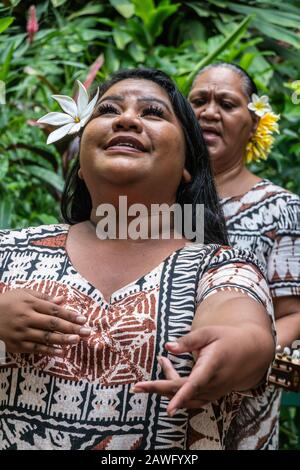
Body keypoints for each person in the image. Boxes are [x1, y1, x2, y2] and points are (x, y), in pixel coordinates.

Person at [0, 68, 275, 450]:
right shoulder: (9, 249)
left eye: (154, 113)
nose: (127, 119)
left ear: (186, 167)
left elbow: (241, 322)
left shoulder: (221, 266)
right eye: (109, 109)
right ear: (81, 163)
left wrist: (231, 349)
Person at [136, 64, 300, 450]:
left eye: (226, 103)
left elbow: (293, 314)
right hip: (145, 396)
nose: (209, 112)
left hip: (237, 401)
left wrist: (230, 361)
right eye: (198, 101)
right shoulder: (157, 198)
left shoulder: (281, 208)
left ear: (254, 123)